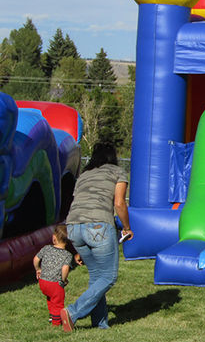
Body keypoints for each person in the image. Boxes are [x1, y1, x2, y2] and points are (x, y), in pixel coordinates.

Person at [60, 142, 133, 332]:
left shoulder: (84, 175)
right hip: (98, 226)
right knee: (109, 276)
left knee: (97, 276)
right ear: (113, 157)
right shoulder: (117, 172)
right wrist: (126, 227)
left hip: (73, 227)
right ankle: (73, 312)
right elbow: (119, 204)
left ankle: (100, 324)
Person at [33, 224, 80, 326]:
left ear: (54, 238)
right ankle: (56, 323)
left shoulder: (46, 248)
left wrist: (38, 269)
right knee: (58, 303)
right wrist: (63, 280)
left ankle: (52, 316)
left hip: (43, 282)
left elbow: (36, 259)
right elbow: (65, 269)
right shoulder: (67, 255)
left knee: (50, 299)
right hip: (55, 284)